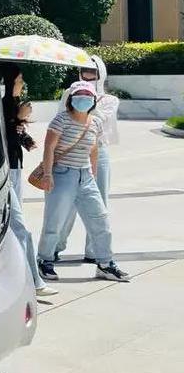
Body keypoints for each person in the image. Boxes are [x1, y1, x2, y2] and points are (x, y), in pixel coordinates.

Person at [35, 81, 130, 283]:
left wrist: (92, 173)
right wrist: (48, 175)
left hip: (85, 176)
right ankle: (44, 260)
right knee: (55, 222)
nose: (83, 99)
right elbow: (49, 147)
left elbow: (94, 148)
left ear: (94, 100)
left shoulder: (94, 122)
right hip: (62, 175)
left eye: (88, 95)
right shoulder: (61, 120)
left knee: (100, 220)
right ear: (71, 99)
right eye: (79, 95)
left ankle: (105, 264)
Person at [53, 55, 119, 264]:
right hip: (71, 153)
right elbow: (61, 119)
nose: (88, 76)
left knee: (99, 202)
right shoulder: (69, 93)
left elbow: (99, 121)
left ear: (101, 74)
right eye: (84, 71)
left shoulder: (109, 100)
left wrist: (86, 101)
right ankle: (55, 247)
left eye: (92, 72)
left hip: (98, 151)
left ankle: (94, 251)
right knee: (66, 202)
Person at [0, 63, 56, 297]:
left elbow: (15, 137)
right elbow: (0, 139)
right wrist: (17, 120)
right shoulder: (0, 106)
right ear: (8, 81)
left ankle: (19, 276)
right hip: (4, 171)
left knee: (14, 225)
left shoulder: (13, 105)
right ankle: (34, 281)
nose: (22, 84)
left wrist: (23, 128)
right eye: (19, 80)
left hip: (14, 169)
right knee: (19, 227)